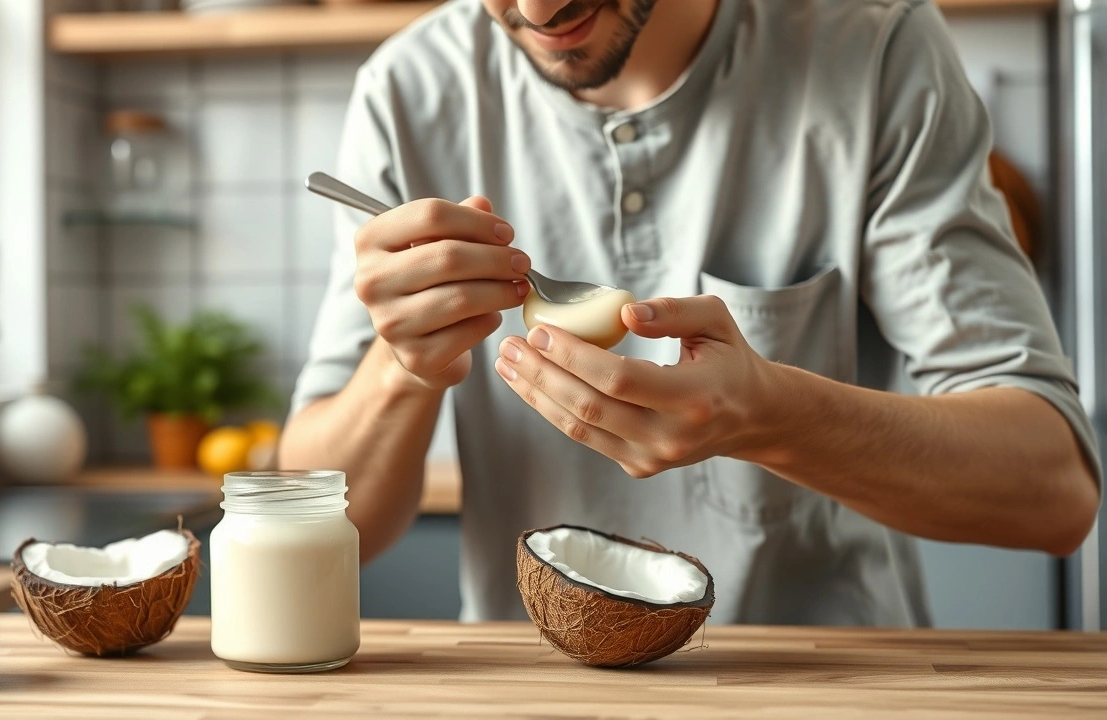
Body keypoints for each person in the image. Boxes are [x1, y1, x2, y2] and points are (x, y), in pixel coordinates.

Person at [279, 0, 1103, 626]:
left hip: (827, 687)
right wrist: (401, 365)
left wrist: (771, 419)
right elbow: (314, 514)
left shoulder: (873, 46)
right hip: (537, 691)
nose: (536, 11)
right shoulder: (408, 90)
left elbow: (1054, 491)